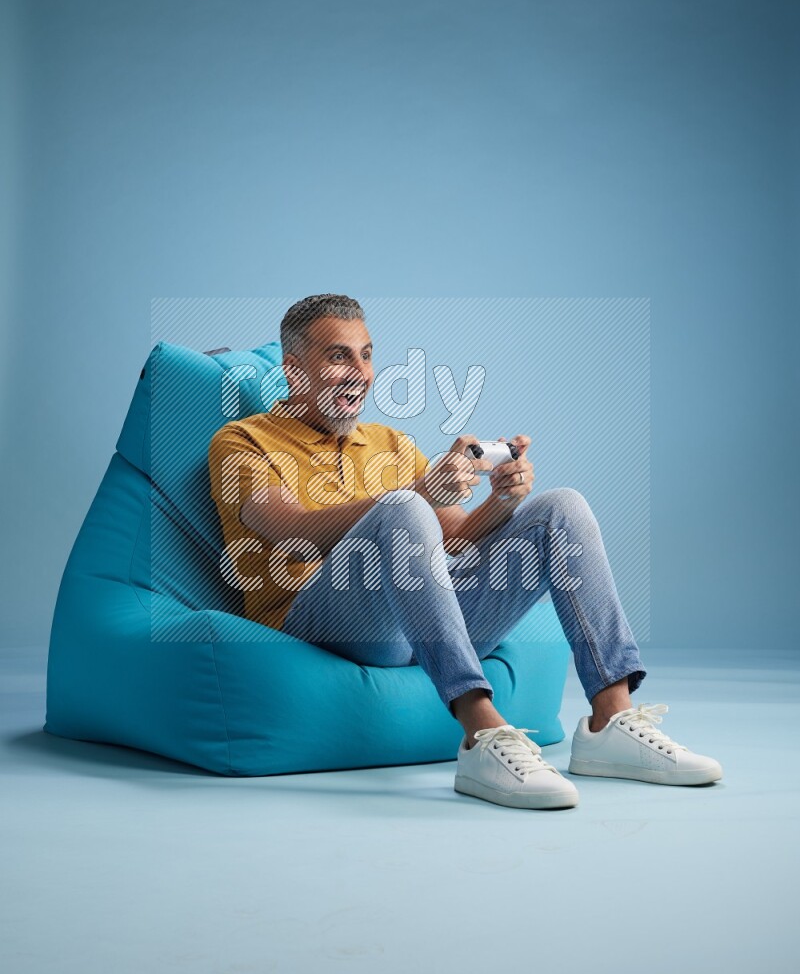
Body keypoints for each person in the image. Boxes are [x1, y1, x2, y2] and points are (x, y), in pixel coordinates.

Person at [208, 294, 722, 810]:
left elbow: (457, 539)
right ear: (294, 370)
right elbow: (288, 527)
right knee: (404, 507)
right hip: (319, 625)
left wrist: (501, 498)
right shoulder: (241, 441)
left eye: (366, 355)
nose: (360, 372)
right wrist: (418, 496)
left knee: (560, 508)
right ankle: (481, 735)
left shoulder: (388, 442)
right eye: (339, 356)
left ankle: (610, 718)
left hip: (416, 623)